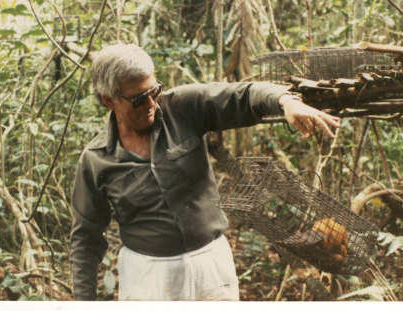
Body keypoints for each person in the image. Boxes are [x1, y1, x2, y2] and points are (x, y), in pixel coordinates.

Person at [70, 43, 340, 301]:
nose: (151, 104)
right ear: (109, 100)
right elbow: (86, 240)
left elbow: (242, 95)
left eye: (154, 91)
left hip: (210, 264)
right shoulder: (96, 159)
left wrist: (286, 101)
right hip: (148, 275)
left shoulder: (181, 107)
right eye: (139, 99)